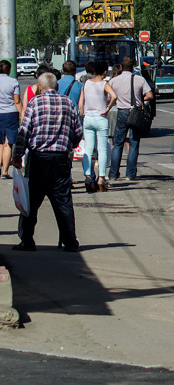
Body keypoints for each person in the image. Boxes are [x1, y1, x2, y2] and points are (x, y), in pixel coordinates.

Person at [10, 72, 84, 252]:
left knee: (32, 201)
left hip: (39, 158)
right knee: (63, 200)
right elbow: (78, 132)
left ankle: (27, 240)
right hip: (61, 159)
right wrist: (68, 146)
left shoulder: (35, 103)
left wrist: (18, 155)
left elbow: (24, 131)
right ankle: (70, 241)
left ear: (40, 88)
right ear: (56, 87)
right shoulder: (68, 103)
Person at [107, 57, 154, 181]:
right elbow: (150, 95)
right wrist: (139, 100)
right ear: (133, 67)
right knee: (133, 143)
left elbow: (108, 98)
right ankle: (130, 174)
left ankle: (113, 174)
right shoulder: (140, 79)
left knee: (117, 144)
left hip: (121, 112)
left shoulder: (114, 81)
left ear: (121, 67)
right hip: (135, 112)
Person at [79, 61, 117, 193]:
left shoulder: (87, 83)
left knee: (88, 149)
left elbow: (81, 101)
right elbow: (114, 96)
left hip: (88, 118)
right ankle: (101, 178)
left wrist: (82, 113)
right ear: (105, 72)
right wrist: (108, 108)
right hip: (101, 118)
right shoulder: (104, 84)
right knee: (102, 150)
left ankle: (88, 176)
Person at [0, 60, 21, 178]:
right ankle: (5, 171)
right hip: (10, 113)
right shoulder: (13, 81)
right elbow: (16, 100)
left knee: (0, 143)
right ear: (9, 69)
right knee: (8, 142)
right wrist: (22, 113)